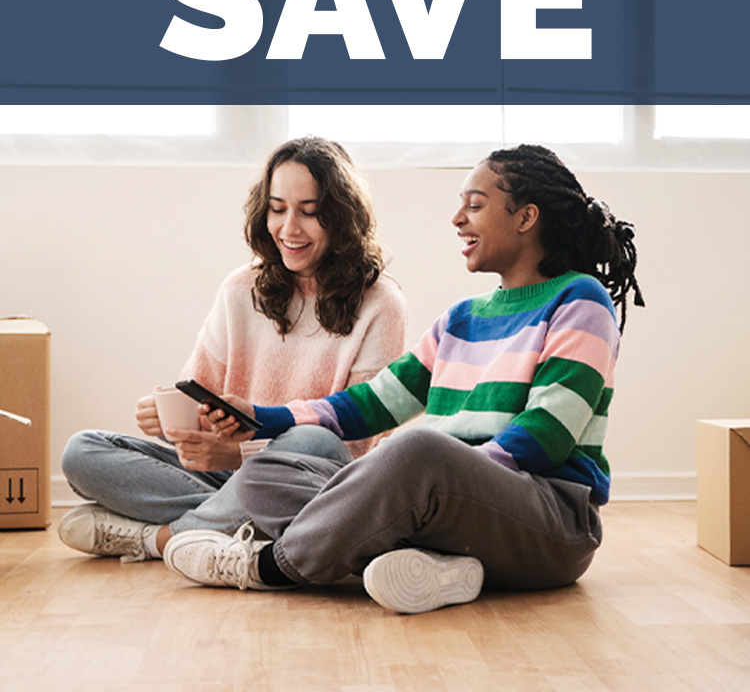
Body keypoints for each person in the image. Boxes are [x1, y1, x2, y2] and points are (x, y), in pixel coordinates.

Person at [163, 143, 645, 614]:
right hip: (450, 504)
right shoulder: (461, 319)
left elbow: (549, 433)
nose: (458, 219)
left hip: (549, 521)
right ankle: (435, 565)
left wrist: (432, 480)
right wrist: (262, 418)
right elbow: (370, 404)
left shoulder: (581, 300)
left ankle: (269, 566)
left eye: (474, 205)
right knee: (264, 475)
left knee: (415, 451)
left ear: (526, 217)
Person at [58, 137, 408, 563]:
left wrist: (243, 453)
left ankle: (156, 539)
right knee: (82, 450)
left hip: (306, 473)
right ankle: (237, 525)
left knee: (315, 440)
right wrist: (168, 417)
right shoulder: (241, 288)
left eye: (310, 212)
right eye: (277, 209)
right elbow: (201, 396)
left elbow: (353, 444)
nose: (289, 228)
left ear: (342, 217)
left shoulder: (381, 303)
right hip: (225, 475)